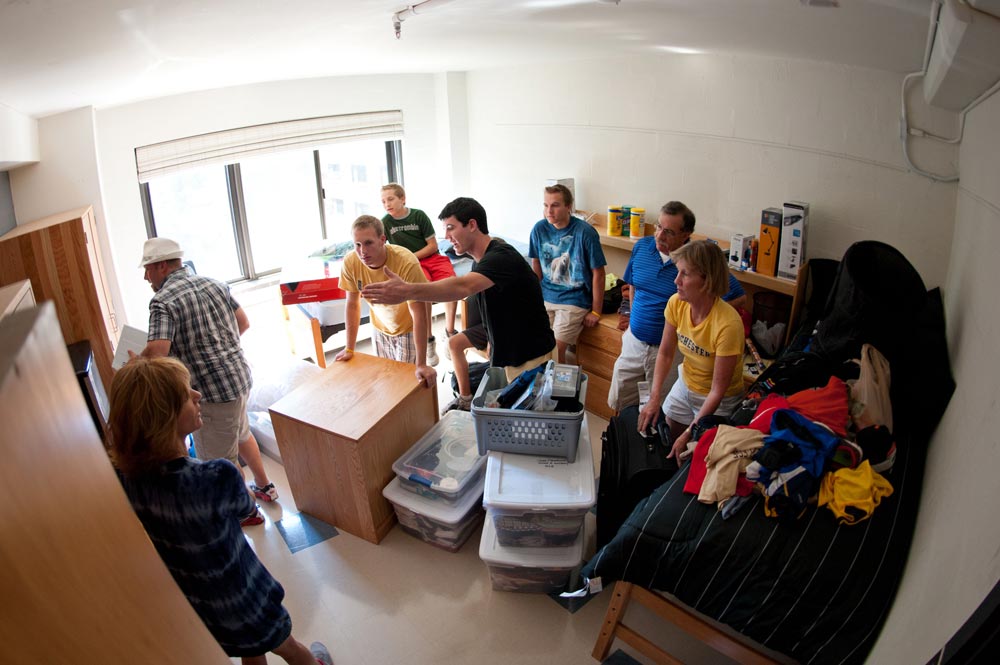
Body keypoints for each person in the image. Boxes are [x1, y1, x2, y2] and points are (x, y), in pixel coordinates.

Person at [108, 356, 332, 665]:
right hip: (244, 594)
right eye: (187, 393)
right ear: (166, 416)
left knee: (248, 650)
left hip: (200, 601)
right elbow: (245, 509)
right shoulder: (216, 476)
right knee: (291, 649)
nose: (198, 395)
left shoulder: (126, 479)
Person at [362, 197, 557, 410]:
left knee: (529, 427)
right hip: (513, 353)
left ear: (472, 225)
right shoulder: (479, 261)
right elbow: (493, 307)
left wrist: (407, 290)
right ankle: (466, 399)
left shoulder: (501, 257)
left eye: (450, 228)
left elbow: (461, 287)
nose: (446, 236)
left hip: (533, 355)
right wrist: (493, 339)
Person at [139, 237, 277, 525]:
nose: (145, 276)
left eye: (148, 269)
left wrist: (134, 364)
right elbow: (243, 322)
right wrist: (219, 352)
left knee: (222, 464)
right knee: (241, 433)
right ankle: (265, 485)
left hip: (211, 394)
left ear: (162, 266)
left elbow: (157, 353)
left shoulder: (163, 301)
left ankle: (247, 511)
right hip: (239, 379)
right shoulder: (213, 283)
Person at [608, 202, 747, 412]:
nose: (660, 236)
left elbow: (738, 297)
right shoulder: (641, 247)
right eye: (658, 227)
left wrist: (702, 323)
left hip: (667, 351)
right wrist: (634, 318)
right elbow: (633, 286)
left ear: (686, 234)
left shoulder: (695, 260)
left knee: (657, 409)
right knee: (621, 398)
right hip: (634, 341)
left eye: (669, 232)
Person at [637, 240, 747, 461]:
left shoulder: (728, 324)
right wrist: (654, 397)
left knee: (694, 454)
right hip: (686, 383)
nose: (676, 281)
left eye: (685, 275)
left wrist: (690, 432)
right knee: (669, 440)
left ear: (706, 280)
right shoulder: (676, 303)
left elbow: (718, 390)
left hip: (720, 398)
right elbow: (666, 353)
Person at [335, 215, 437, 388]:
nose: (362, 251)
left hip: (408, 327)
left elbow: (419, 313)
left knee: (406, 383)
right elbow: (352, 305)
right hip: (380, 327)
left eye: (368, 243)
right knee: (386, 380)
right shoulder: (351, 262)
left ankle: (429, 348)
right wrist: (349, 348)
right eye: (357, 244)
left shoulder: (405, 262)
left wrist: (421, 363)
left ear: (382, 240)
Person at [381, 183, 458, 367]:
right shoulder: (385, 222)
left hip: (431, 257)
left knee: (452, 284)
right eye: (383, 201)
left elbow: (432, 245)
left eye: (390, 199)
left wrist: (411, 256)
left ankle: (449, 333)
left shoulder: (418, 215)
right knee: (424, 292)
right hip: (410, 263)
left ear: (403, 198)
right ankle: (429, 339)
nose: (387, 204)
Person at [528, 184, 607, 363]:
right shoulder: (539, 229)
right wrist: (535, 298)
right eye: (546, 205)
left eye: (555, 205)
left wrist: (596, 311)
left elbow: (599, 273)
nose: (549, 211)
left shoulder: (585, 233)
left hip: (574, 300)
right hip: (546, 297)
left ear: (568, 206)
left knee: (554, 352)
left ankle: (558, 390)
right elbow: (536, 262)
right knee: (536, 347)